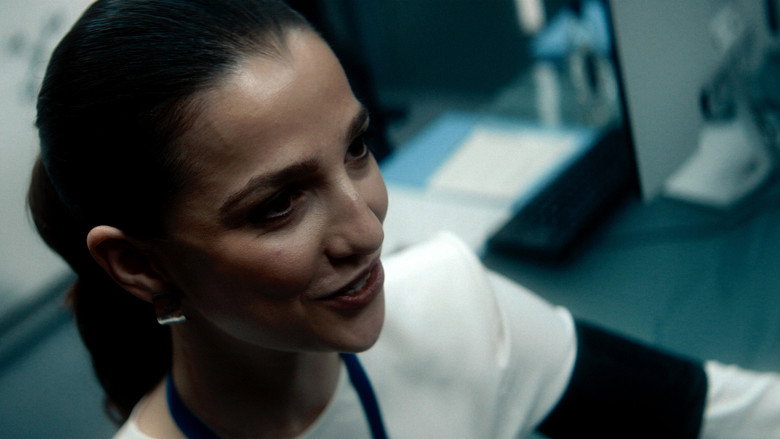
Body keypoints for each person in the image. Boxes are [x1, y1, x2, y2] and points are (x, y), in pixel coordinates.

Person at [27, 0, 780, 438]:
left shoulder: (450, 307)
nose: (367, 231)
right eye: (279, 204)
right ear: (140, 263)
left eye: (357, 149)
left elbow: (726, 414)